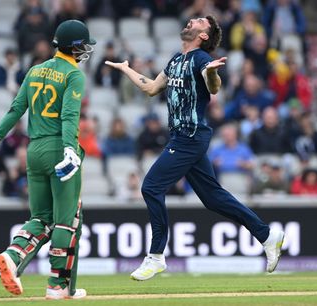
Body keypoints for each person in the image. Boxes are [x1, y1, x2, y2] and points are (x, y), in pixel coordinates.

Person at [105, 16, 284, 281]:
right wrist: (126, 69)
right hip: (184, 137)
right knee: (213, 197)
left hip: (189, 137)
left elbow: (213, 86)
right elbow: (153, 87)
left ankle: (155, 256)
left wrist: (212, 74)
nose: (191, 20)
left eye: (199, 21)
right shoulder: (176, 60)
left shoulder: (201, 59)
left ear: (202, 36)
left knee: (151, 187)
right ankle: (267, 235)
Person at [0, 20, 95, 299]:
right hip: (58, 148)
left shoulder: (35, 70)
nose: (85, 50)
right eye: (83, 45)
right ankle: (58, 286)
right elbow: (69, 116)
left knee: (41, 218)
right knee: (67, 220)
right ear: (75, 47)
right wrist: (70, 149)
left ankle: (13, 256)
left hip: (34, 150)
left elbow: (16, 109)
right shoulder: (74, 75)